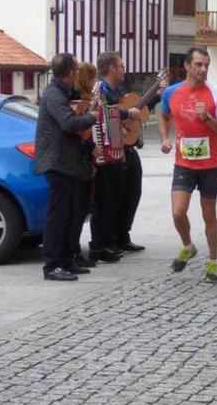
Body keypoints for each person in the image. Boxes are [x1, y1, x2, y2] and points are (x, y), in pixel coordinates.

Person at [159, 47, 217, 284]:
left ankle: (213, 262)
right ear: (187, 66)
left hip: (210, 164)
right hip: (184, 163)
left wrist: (207, 119)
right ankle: (188, 245)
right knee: (177, 212)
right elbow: (164, 115)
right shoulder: (171, 92)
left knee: (209, 214)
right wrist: (164, 138)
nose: (203, 70)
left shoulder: (216, 92)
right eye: (199, 65)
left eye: (206, 65)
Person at [35, 53, 99, 281]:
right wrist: (92, 117)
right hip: (57, 162)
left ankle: (65, 261)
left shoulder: (63, 92)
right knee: (58, 216)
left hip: (67, 163)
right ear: (71, 73)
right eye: (76, 71)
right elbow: (69, 123)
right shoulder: (54, 95)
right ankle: (52, 265)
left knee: (71, 214)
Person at [89, 52, 146, 263]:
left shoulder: (119, 89)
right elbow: (101, 112)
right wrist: (125, 115)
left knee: (129, 194)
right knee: (107, 201)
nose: (124, 69)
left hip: (123, 149)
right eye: (121, 66)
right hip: (106, 152)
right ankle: (102, 243)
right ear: (112, 68)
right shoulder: (100, 89)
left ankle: (120, 236)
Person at [69, 63, 100, 271]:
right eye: (92, 78)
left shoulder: (81, 97)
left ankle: (75, 251)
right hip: (77, 160)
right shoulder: (76, 99)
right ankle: (73, 251)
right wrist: (91, 147)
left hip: (81, 158)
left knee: (80, 211)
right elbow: (80, 131)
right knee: (76, 211)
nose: (94, 83)